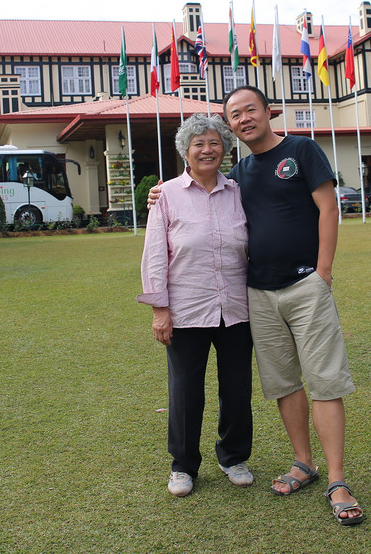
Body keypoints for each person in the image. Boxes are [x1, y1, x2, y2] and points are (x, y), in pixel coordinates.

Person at [151, 86, 364, 526]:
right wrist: (160, 195)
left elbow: (328, 208)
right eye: (234, 115)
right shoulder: (226, 178)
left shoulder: (293, 154)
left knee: (311, 382)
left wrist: (323, 271)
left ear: (268, 112)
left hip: (284, 292)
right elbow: (171, 233)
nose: (243, 119)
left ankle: (333, 477)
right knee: (280, 383)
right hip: (244, 298)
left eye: (250, 110)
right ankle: (294, 463)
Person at [137, 114, 253, 498]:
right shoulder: (167, 194)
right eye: (198, 144)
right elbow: (155, 253)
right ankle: (183, 466)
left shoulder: (239, 192)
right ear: (186, 152)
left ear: (225, 148)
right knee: (186, 391)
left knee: (236, 388)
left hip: (236, 307)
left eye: (215, 142)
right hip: (186, 309)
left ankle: (233, 456)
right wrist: (159, 308)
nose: (207, 149)